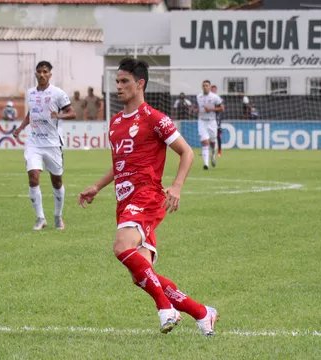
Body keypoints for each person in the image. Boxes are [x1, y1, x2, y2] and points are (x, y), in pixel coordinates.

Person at [78, 58, 218, 336]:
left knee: (121, 247)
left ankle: (166, 309)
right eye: (116, 81)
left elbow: (186, 152)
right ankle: (203, 313)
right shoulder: (116, 122)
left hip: (147, 196)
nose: (118, 87)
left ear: (140, 84)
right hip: (124, 200)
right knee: (141, 276)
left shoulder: (155, 118)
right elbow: (120, 164)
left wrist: (176, 186)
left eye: (124, 81)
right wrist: (97, 186)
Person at [12, 61, 76, 230]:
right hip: (34, 143)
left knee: (57, 181)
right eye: (39, 71)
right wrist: (20, 128)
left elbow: (72, 113)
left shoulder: (58, 93)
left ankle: (57, 215)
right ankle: (40, 218)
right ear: (35, 74)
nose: (41, 74)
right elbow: (30, 113)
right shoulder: (30, 93)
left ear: (50, 74)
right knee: (33, 176)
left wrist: (59, 115)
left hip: (53, 143)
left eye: (45, 71)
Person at [195, 80, 224, 170]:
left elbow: (222, 108)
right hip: (202, 121)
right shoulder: (198, 97)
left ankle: (213, 154)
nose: (205, 87)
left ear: (210, 87)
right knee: (205, 141)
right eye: (203, 85)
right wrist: (195, 110)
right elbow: (198, 107)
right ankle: (206, 164)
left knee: (212, 142)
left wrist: (211, 109)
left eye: (207, 85)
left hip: (212, 122)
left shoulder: (215, 97)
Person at [210, 85, 224, 157]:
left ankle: (219, 150)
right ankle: (211, 151)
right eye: (212, 90)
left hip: (217, 119)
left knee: (218, 136)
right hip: (209, 119)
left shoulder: (218, 98)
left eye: (214, 90)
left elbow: (222, 108)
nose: (213, 91)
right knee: (209, 136)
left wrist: (212, 109)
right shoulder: (208, 98)